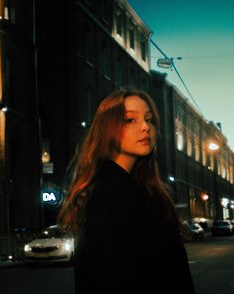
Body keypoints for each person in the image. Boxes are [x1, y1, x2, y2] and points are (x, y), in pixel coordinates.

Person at [58, 89, 195, 293]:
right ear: (107, 128)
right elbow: (110, 278)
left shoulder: (138, 187)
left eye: (149, 120)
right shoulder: (110, 190)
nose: (145, 127)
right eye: (131, 120)